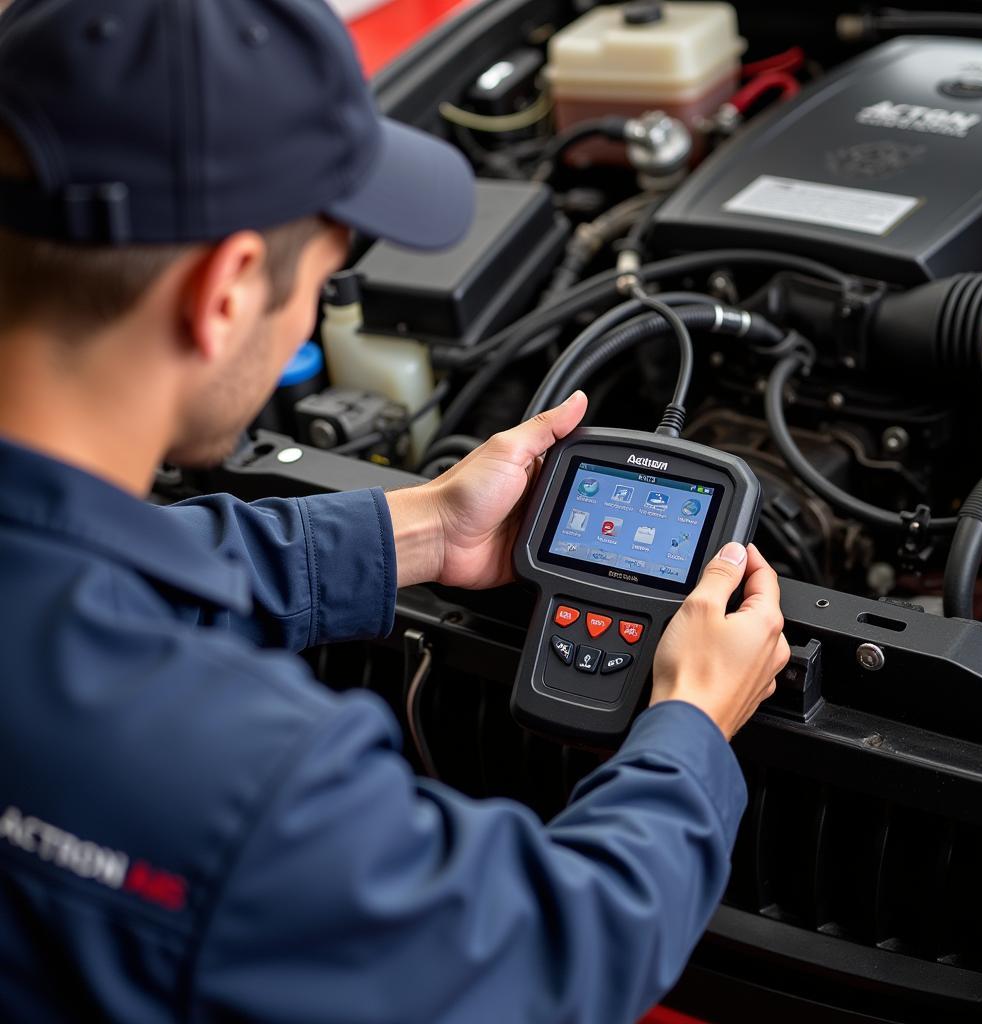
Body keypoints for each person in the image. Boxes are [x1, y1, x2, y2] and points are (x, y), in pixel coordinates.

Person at [0, 1, 789, 1021]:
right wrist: (691, 727)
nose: (319, 305)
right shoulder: (243, 783)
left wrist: (416, 529)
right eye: (326, 282)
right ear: (228, 290)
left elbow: (81, 570)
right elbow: (552, 956)